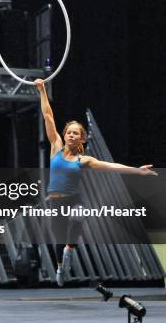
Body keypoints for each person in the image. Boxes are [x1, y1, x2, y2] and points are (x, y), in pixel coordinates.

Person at [35, 78, 156, 286]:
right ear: (64, 135)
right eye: (69, 132)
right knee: (59, 238)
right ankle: (61, 266)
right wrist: (42, 89)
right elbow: (48, 115)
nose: (71, 135)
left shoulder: (84, 160)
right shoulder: (55, 146)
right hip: (55, 202)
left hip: (73, 200)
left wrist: (138, 171)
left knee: (78, 217)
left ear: (81, 139)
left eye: (76, 133)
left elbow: (111, 167)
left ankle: (69, 250)